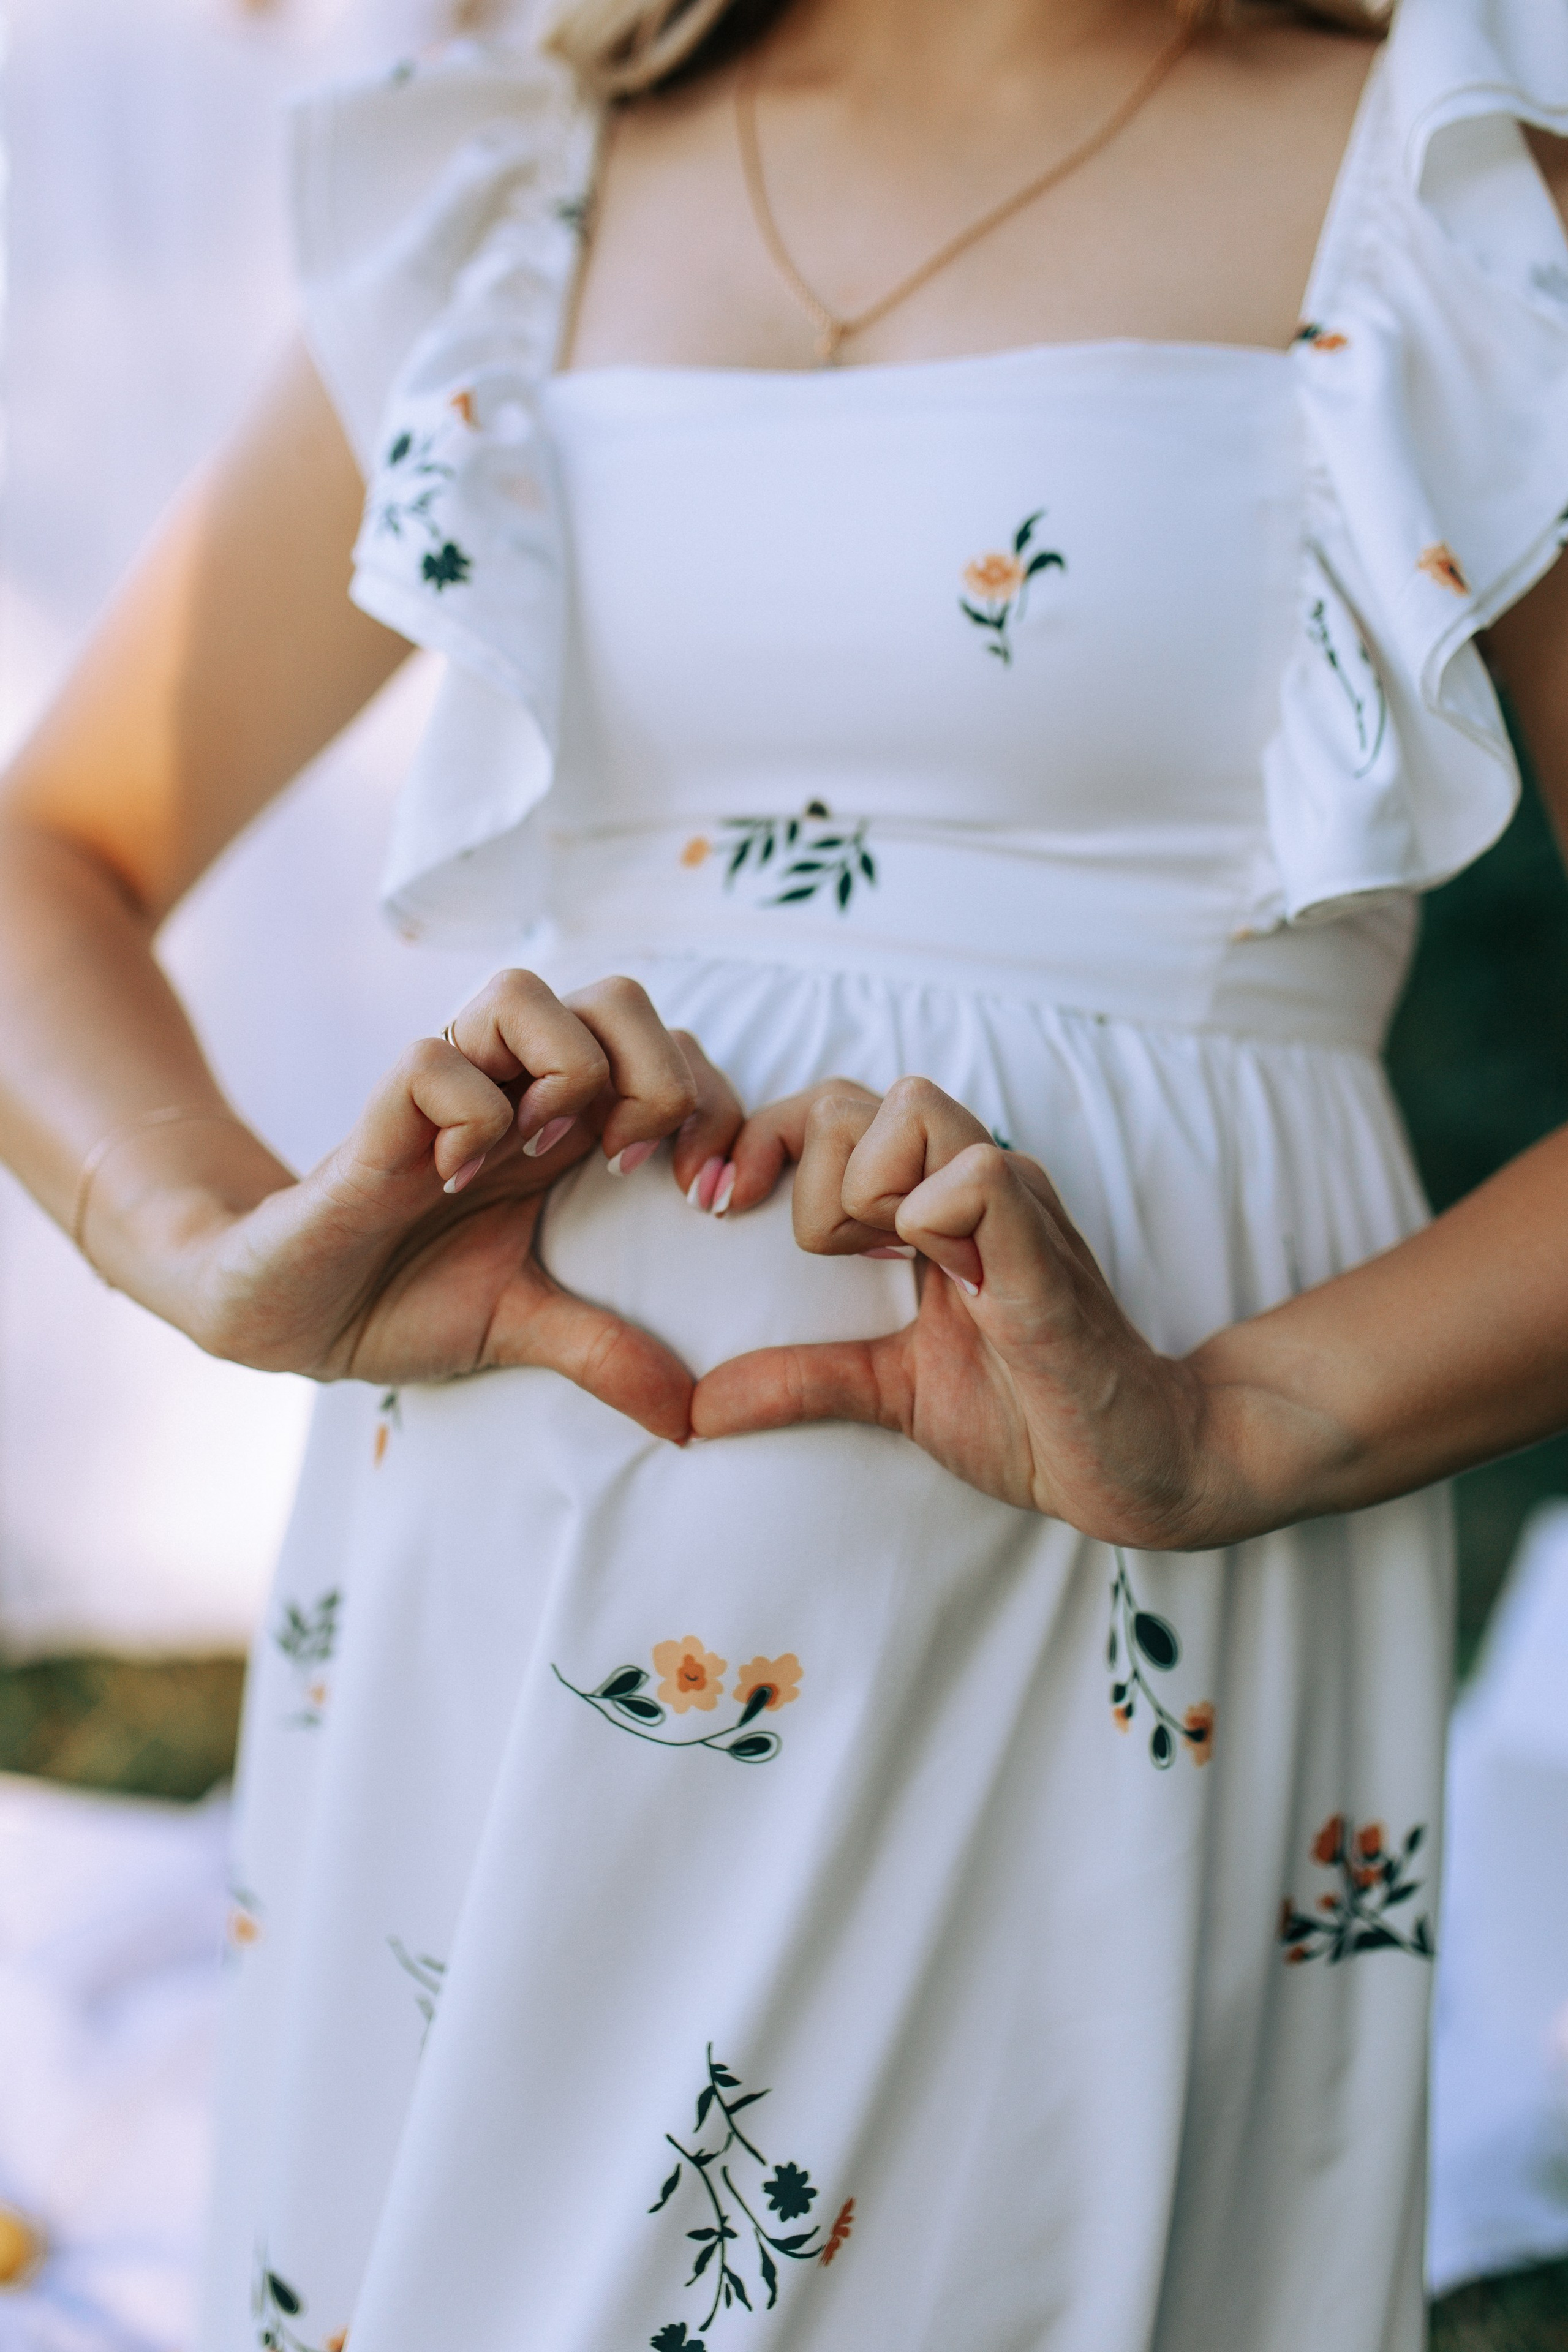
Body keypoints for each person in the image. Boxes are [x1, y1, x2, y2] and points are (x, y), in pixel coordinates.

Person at [0, 0, 1564, 2345]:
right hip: (490, 1578)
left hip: (1090, 1608)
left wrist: (1240, 1419)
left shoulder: (1448, 175)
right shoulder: (516, 163)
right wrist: (209, 1244)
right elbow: (53, 847)